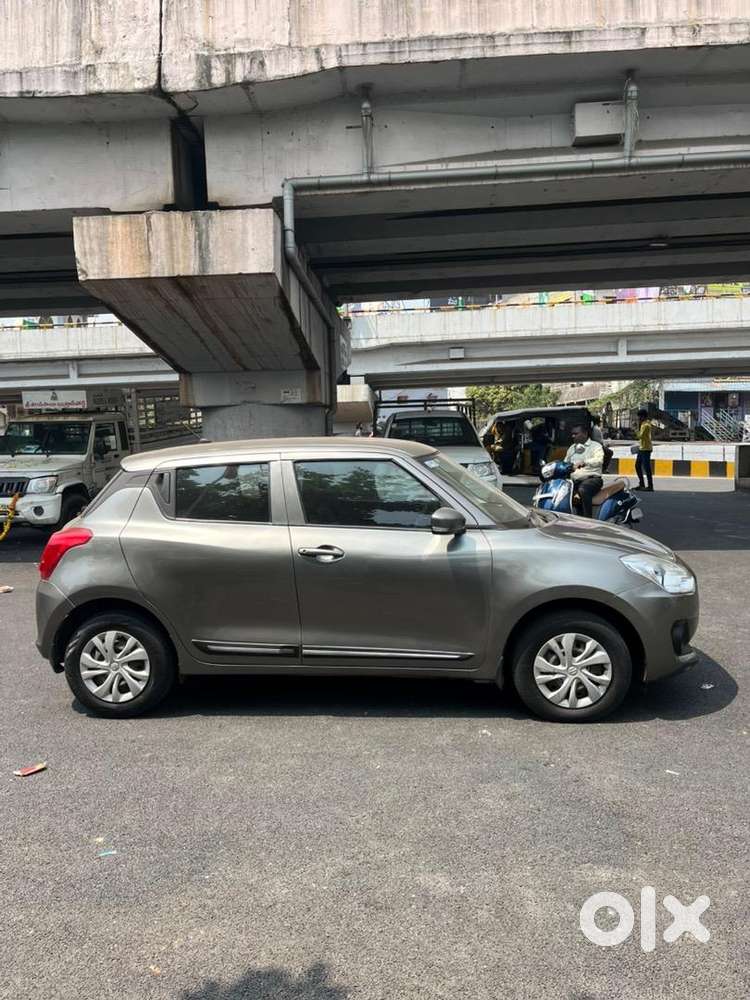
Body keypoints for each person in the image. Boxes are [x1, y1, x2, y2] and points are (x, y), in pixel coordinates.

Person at [564, 424, 605, 517]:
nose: (573, 436)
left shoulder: (596, 446)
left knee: (583, 490)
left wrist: (584, 462)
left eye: (576, 433)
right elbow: (565, 462)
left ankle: (588, 519)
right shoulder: (572, 448)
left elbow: (599, 460)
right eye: (572, 434)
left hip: (592, 480)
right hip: (573, 481)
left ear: (585, 434)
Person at [634, 408, 654, 491]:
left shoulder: (646, 425)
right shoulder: (644, 424)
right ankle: (641, 484)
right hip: (642, 448)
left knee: (647, 467)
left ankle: (650, 486)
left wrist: (635, 429)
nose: (638, 418)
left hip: (646, 449)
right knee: (638, 465)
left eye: (639, 417)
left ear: (643, 416)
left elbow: (640, 436)